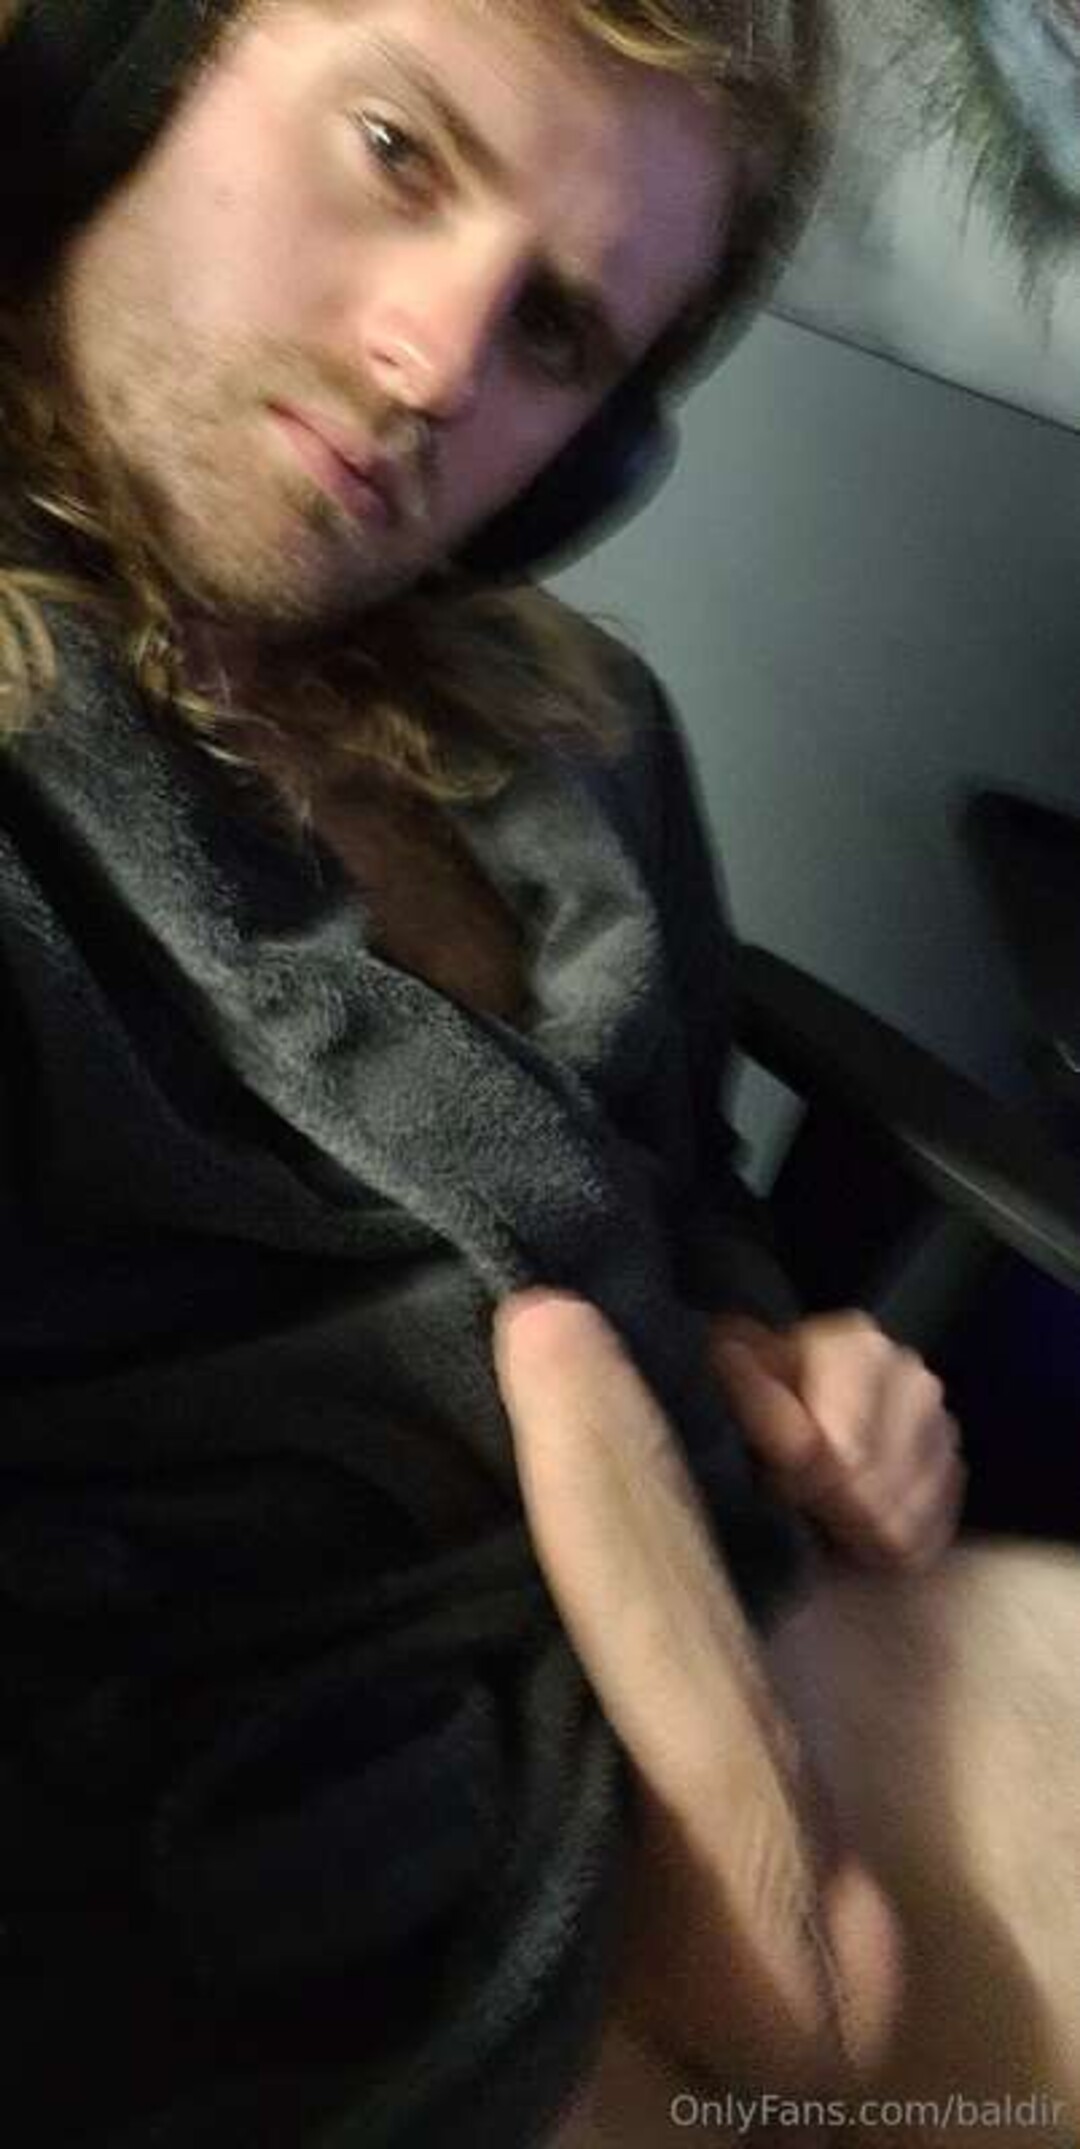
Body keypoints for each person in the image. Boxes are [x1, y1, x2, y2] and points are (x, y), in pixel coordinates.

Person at [0, 3, 1074, 2145]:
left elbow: (689, 1193)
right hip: (263, 1897)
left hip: (719, 1609)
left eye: (562, 332)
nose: (436, 365)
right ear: (126, 64)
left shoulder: (575, 730)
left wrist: (794, 1354)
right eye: (398, 149)